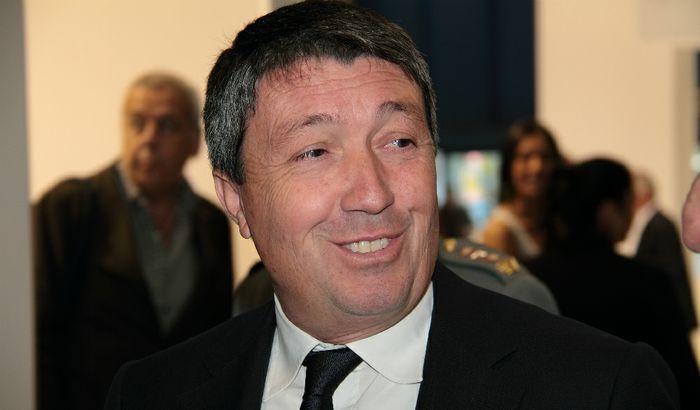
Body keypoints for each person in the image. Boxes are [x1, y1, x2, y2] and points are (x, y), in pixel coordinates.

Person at [106, 2, 679, 408]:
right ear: (235, 197)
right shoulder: (151, 394)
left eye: (399, 142)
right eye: (315, 151)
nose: (373, 194)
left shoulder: (598, 388)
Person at [33, 72, 233, 410]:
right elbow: (40, 335)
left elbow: (218, 337)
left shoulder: (210, 222)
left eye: (167, 125)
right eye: (137, 123)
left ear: (195, 141)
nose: (149, 138)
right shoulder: (69, 207)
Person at [526, 158, 700, 408]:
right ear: (609, 211)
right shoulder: (647, 282)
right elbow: (684, 383)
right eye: (628, 203)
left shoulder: (530, 275)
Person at [618, 171, 697, 332]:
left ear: (641, 195)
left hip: (669, 312)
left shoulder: (660, 224)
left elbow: (671, 272)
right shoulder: (652, 222)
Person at [479, 119, 564, 260]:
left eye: (545, 157)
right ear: (509, 165)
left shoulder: (557, 220)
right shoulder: (500, 230)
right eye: (525, 157)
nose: (537, 167)